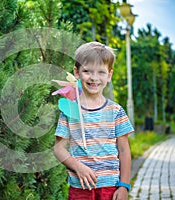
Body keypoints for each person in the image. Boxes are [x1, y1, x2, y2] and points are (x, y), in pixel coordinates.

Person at [53, 41, 134, 200]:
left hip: (110, 187)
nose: (94, 78)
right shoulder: (70, 110)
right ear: (77, 73)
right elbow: (58, 149)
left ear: (109, 75)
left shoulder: (116, 111)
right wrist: (78, 167)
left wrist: (124, 185)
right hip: (80, 187)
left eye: (101, 72)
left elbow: (124, 150)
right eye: (87, 71)